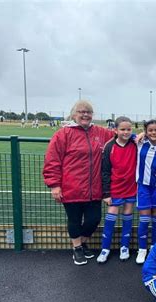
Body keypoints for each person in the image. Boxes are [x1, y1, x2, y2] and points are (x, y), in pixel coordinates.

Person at [43, 100, 114, 265]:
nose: (85, 115)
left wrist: (137, 136)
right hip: (72, 188)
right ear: (74, 114)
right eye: (81, 112)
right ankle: (77, 248)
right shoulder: (63, 134)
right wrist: (54, 185)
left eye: (88, 112)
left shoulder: (101, 132)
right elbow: (52, 160)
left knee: (93, 219)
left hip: (94, 189)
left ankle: (81, 243)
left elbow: (120, 135)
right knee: (74, 220)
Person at [97, 116, 137, 263]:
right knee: (111, 216)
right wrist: (106, 193)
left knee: (127, 215)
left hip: (131, 186)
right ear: (115, 130)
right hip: (115, 188)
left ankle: (124, 247)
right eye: (122, 129)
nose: (126, 132)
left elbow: (145, 136)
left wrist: (136, 135)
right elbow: (105, 171)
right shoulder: (109, 146)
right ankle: (105, 248)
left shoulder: (135, 143)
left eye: (128, 129)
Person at [135, 119, 156, 264]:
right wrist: (140, 134)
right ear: (146, 131)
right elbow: (122, 133)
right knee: (144, 218)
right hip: (143, 186)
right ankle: (142, 249)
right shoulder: (139, 142)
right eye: (150, 130)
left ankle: (154, 248)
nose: (154, 133)